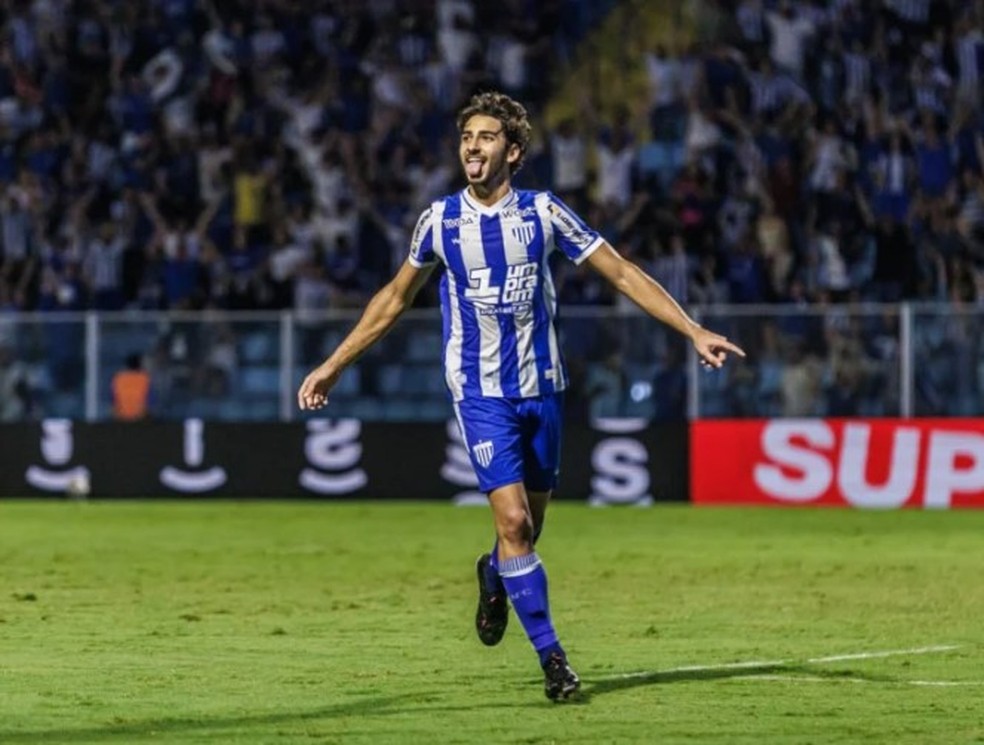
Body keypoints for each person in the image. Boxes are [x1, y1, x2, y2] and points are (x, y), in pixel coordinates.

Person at [297, 91, 745, 701]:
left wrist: (691, 328)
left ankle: (493, 572)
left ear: (513, 151)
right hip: (480, 393)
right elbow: (393, 299)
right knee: (514, 523)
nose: (471, 148)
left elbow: (620, 271)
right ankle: (554, 662)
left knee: (527, 530)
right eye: (465, 139)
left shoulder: (543, 214)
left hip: (543, 389)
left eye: (484, 138)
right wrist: (333, 365)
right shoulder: (440, 221)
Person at [112, 353, 152, 421]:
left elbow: (114, 398)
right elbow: (150, 399)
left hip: (120, 415)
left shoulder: (118, 378)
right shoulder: (145, 378)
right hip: (140, 416)